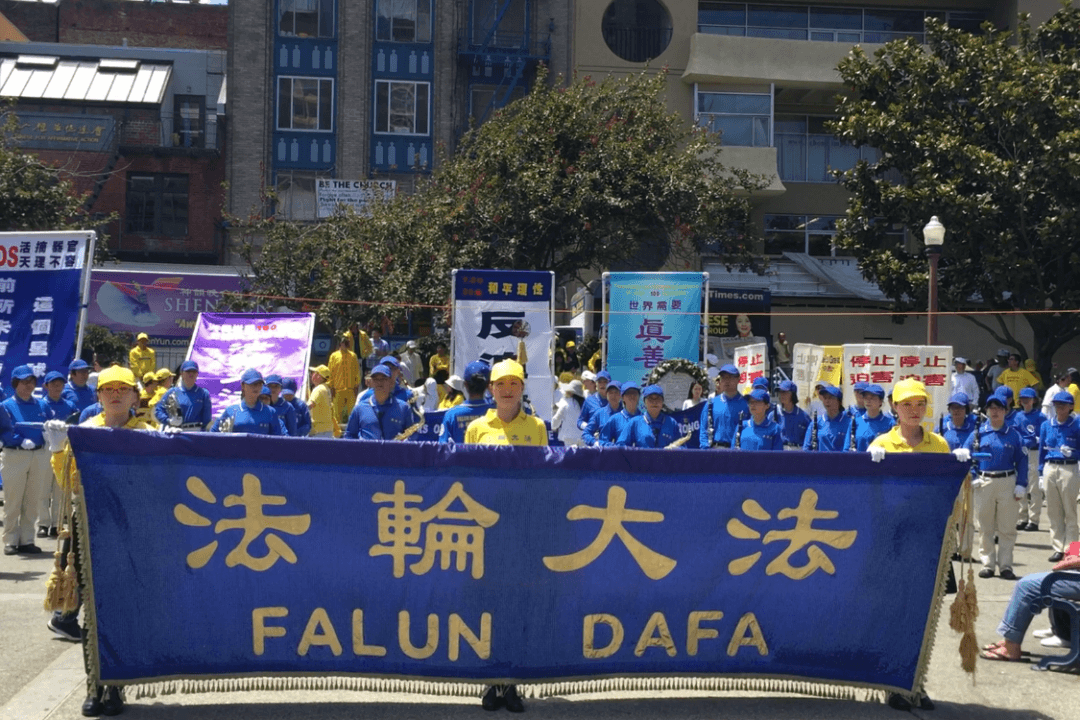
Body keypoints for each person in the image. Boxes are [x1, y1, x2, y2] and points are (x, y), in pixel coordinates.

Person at [44, 365, 151, 716]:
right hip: (91, 528)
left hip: (132, 531)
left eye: (123, 388)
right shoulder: (85, 433)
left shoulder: (149, 434)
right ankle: (95, 686)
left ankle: (116, 687)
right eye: (108, 389)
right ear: (99, 396)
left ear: (136, 395)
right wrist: (59, 451)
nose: (116, 394)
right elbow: (68, 485)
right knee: (92, 614)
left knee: (122, 611)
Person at [463, 358, 545, 713]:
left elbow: (544, 477)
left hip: (524, 527)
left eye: (514, 383)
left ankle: (511, 683)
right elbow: (465, 480)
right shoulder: (477, 429)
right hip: (486, 533)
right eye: (501, 384)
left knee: (517, 606)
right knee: (487, 607)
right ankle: (489, 680)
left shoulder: (537, 427)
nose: (507, 390)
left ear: (522, 388)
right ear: (491, 390)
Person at [962, 390, 1027, 579]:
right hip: (984, 481)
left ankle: (1006, 565)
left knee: (1007, 527)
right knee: (985, 526)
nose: (995, 412)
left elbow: (1022, 460)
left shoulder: (1013, 434)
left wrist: (1021, 484)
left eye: (999, 408)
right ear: (987, 411)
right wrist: (973, 476)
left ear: (1005, 411)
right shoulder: (979, 433)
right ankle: (988, 564)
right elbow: (967, 454)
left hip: (1007, 481)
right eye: (991, 408)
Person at [0, 366, 52, 555]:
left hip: (38, 455)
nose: (28, 385)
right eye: (23, 381)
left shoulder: (41, 405)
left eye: (31, 381)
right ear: (15, 384)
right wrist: (20, 440)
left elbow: (49, 424)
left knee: (32, 499)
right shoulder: (6, 405)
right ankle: (10, 540)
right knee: (13, 500)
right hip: (15, 455)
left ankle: (27, 540)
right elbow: (4, 431)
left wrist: (50, 435)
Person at [1038, 391, 1080, 562]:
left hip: (1069, 468)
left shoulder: (1077, 425)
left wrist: (1074, 452)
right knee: (1053, 511)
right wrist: (1041, 473)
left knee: (1070, 511)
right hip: (1051, 466)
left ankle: (1074, 550)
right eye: (1057, 404)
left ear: (1070, 407)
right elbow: (1042, 450)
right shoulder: (1046, 425)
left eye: (1063, 405)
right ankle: (1058, 548)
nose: (1059, 408)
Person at [40, 371, 77, 539]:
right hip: (44, 446)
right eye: (53, 384)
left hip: (64, 447)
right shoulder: (41, 404)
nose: (57, 387)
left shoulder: (69, 405)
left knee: (60, 489)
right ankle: (43, 523)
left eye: (60, 384)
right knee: (43, 487)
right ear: (46, 386)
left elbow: (76, 422)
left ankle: (56, 523)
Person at [344, 365, 415, 440]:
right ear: (371, 382)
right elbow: (350, 435)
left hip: (393, 451)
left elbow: (411, 437)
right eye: (375, 379)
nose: (379, 382)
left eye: (383, 379)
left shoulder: (403, 408)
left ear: (391, 382)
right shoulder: (360, 408)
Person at [210, 369, 285, 435]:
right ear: (243, 385)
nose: (257, 387)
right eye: (253, 384)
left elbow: (277, 441)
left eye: (260, 384)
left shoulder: (270, 412)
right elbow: (218, 437)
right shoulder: (231, 411)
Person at [1013, 387, 1047, 532]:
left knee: (1034, 487)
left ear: (1034, 400)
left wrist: (1033, 439)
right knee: (1021, 483)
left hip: (1034, 452)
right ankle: (1022, 517)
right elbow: (1015, 433)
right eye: (1023, 399)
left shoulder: (1040, 417)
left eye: (1028, 399)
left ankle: (1034, 520)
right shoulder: (1018, 416)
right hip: (1022, 453)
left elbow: (1042, 436)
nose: (1026, 402)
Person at [439, 362, 494, 444]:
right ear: (487, 385)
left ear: (465, 384)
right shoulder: (496, 412)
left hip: (459, 457)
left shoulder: (451, 415)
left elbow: (442, 449)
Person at [154, 360, 213, 432]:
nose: (191, 374)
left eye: (194, 372)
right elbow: (158, 410)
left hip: (196, 433)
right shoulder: (172, 392)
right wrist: (168, 421)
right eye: (188, 372)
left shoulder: (204, 394)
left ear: (197, 374)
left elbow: (207, 419)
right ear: (181, 374)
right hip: (176, 432)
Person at [699, 364, 749, 448]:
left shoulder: (746, 405)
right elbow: (703, 430)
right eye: (723, 377)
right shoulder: (711, 403)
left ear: (738, 379)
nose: (726, 381)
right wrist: (705, 450)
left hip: (737, 453)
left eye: (730, 377)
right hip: (714, 451)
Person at [803, 384, 852, 452]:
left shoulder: (848, 422)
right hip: (820, 461)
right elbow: (806, 448)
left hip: (841, 461)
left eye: (830, 398)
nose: (827, 401)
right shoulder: (816, 422)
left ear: (839, 401)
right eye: (825, 398)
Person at [845, 384, 894, 451]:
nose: (868, 401)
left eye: (872, 398)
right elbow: (846, 449)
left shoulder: (890, 423)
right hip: (859, 460)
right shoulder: (855, 422)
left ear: (880, 401)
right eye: (866, 397)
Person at [328, 332, 361, 425]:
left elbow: (356, 371)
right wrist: (331, 387)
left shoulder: (353, 356)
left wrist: (356, 386)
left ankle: (352, 430)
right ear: (340, 344)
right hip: (338, 389)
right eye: (343, 343)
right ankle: (336, 433)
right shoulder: (334, 356)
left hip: (350, 389)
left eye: (346, 344)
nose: (345, 345)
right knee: (336, 413)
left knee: (352, 412)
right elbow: (330, 372)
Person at [598, 382, 642, 447]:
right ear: (622, 397)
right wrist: (615, 448)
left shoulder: (645, 419)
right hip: (621, 456)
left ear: (639, 397)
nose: (632, 396)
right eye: (628, 394)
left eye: (635, 393)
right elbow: (602, 441)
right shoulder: (615, 419)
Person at [773, 380, 810, 450]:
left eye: (785, 392)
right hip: (779, 451)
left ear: (793, 394)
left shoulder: (803, 416)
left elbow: (809, 437)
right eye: (780, 392)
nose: (781, 395)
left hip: (798, 451)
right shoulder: (774, 414)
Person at [583, 381, 621, 447]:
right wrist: (595, 443)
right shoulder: (600, 414)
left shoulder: (627, 414)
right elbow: (586, 433)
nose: (613, 396)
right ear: (606, 395)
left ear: (621, 395)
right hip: (604, 453)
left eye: (616, 392)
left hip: (623, 454)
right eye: (610, 393)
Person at [552, 379, 585, 447]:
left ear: (571, 392)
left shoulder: (565, 404)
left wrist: (554, 427)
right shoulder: (584, 405)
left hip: (569, 439)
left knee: (570, 457)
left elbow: (556, 420)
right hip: (582, 438)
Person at [307, 365, 335, 438]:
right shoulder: (326, 388)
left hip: (319, 431)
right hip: (326, 430)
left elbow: (310, 405)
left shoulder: (318, 389)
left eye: (313, 372)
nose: (311, 375)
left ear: (318, 376)